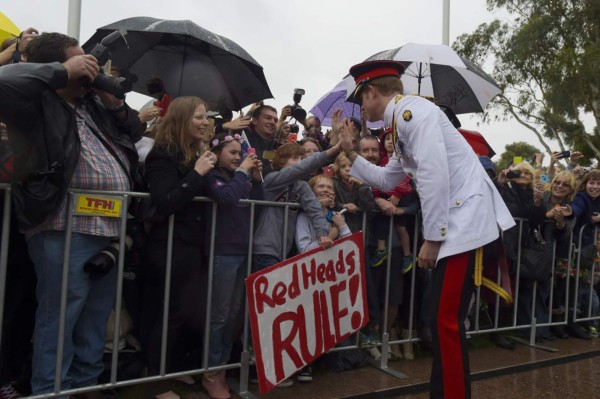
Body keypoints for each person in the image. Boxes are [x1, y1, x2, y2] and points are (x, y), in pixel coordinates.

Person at [338, 60, 514, 399]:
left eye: (362, 99)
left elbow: (433, 175)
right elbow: (389, 178)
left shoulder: (413, 116)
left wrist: (432, 238)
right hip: (459, 224)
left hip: (464, 225)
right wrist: (351, 154)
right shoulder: (404, 121)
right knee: (442, 320)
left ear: (373, 92)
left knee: (444, 321)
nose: (361, 107)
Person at [0, 32, 144, 396]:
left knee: (95, 322)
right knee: (60, 321)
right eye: (80, 63)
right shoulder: (37, 102)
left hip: (107, 227)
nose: (88, 70)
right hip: (63, 225)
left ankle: (83, 388)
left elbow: (136, 133)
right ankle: (51, 391)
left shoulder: (93, 106)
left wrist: (113, 104)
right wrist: (59, 72)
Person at [143, 96, 216, 376]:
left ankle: (173, 369)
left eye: (206, 116)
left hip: (193, 245)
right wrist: (197, 173)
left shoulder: (196, 154)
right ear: (181, 119)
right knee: (170, 314)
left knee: (185, 313)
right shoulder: (162, 154)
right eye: (198, 117)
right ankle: (156, 380)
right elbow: (167, 200)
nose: (205, 122)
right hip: (171, 246)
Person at [203, 132, 262, 398]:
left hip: (243, 250)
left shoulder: (240, 178)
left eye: (240, 153)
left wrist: (256, 178)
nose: (239, 157)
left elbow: (257, 202)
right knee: (219, 315)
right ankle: (211, 372)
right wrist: (242, 172)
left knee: (234, 313)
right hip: (223, 252)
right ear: (217, 154)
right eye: (233, 153)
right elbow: (227, 197)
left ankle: (223, 366)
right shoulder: (213, 176)